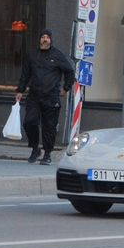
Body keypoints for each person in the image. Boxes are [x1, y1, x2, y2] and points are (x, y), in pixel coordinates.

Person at [15, 29, 75, 165]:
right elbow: (25, 74)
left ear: (51, 40)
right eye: (43, 37)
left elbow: (70, 71)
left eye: (47, 37)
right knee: (29, 122)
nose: (45, 39)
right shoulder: (32, 55)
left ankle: (47, 154)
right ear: (39, 39)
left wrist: (66, 88)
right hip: (34, 96)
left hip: (51, 96)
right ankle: (35, 148)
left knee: (49, 127)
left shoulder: (58, 55)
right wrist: (20, 90)